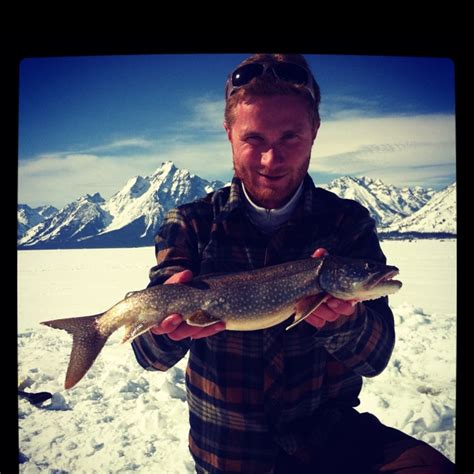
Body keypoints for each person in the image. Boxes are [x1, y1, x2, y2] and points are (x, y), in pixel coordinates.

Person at [132, 54, 454, 473]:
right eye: (254, 140)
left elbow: (375, 358)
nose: (271, 159)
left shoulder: (346, 223)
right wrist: (165, 331)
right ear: (228, 133)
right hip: (228, 455)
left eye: (290, 137)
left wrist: (343, 321)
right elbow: (148, 356)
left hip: (330, 444)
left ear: (315, 131)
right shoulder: (191, 224)